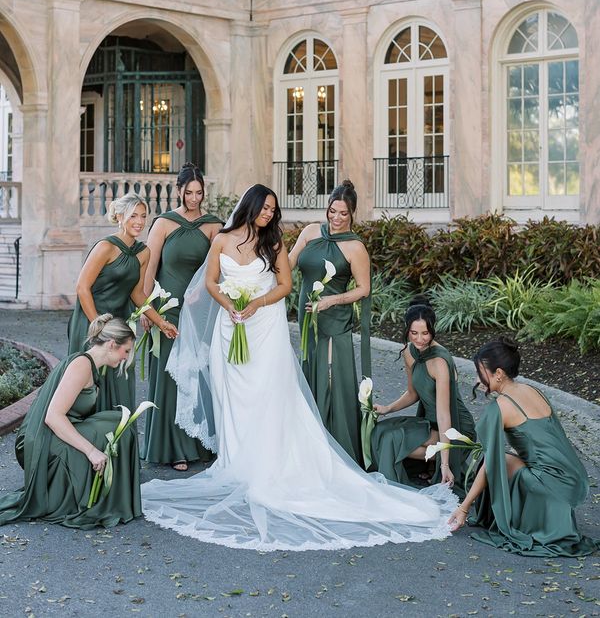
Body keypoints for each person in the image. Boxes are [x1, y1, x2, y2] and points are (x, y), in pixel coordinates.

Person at [141, 184, 456, 551]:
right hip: (230, 326)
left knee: (267, 392)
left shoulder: (274, 243)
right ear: (251, 206)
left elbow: (285, 284)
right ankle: (237, 459)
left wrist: (256, 303)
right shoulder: (223, 240)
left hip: (264, 325)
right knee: (233, 395)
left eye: (273, 210)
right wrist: (229, 305)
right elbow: (212, 281)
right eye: (265, 208)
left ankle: (269, 461)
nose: (269, 214)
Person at [448, 338, 599, 557]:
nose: (477, 379)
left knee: (497, 460)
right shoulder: (533, 390)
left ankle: (523, 515)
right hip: (572, 479)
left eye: (480, 372)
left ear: (498, 373)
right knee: (506, 458)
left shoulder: (500, 406)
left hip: (549, 484)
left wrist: (463, 508)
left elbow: (492, 462)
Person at [0, 315, 141, 529]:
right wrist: (91, 451)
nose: (126, 357)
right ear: (112, 344)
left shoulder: (91, 366)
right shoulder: (81, 365)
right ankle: (95, 498)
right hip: (40, 442)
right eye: (127, 351)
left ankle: (108, 496)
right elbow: (53, 417)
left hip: (54, 433)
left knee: (119, 422)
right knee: (116, 427)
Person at [141, 163, 222, 471]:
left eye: (199, 193)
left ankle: (198, 445)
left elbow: (219, 267)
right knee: (168, 376)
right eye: (189, 193)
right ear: (178, 191)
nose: (194, 198)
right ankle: (172, 448)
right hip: (167, 308)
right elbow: (149, 268)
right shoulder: (163, 223)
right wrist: (146, 309)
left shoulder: (213, 225)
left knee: (197, 372)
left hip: (199, 311)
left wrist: (201, 290)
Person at [68, 192, 178, 411]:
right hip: (91, 322)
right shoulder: (106, 247)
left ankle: (115, 433)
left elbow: (137, 294)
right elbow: (82, 288)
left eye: (143, 216)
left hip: (120, 326)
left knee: (120, 383)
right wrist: (100, 327)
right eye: (133, 215)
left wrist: (160, 322)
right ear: (119, 216)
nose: (139, 221)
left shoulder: (143, 252)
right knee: (89, 385)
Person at [288, 180, 371, 464]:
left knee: (331, 379)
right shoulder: (311, 232)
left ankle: (335, 449)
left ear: (352, 213)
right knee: (311, 372)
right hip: (307, 317)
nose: (336, 218)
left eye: (343, 213)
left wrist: (331, 301)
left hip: (334, 319)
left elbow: (363, 289)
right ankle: (308, 445)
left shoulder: (355, 247)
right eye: (332, 211)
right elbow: (288, 263)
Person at [371, 299, 476, 495]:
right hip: (429, 423)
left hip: (455, 427)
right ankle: (417, 469)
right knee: (379, 432)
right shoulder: (409, 352)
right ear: (407, 330)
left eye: (425, 333)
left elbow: (444, 415)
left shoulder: (440, 362)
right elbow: (413, 393)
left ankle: (399, 486)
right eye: (414, 333)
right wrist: (387, 409)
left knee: (391, 440)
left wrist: (445, 464)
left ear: (433, 330)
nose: (419, 339)